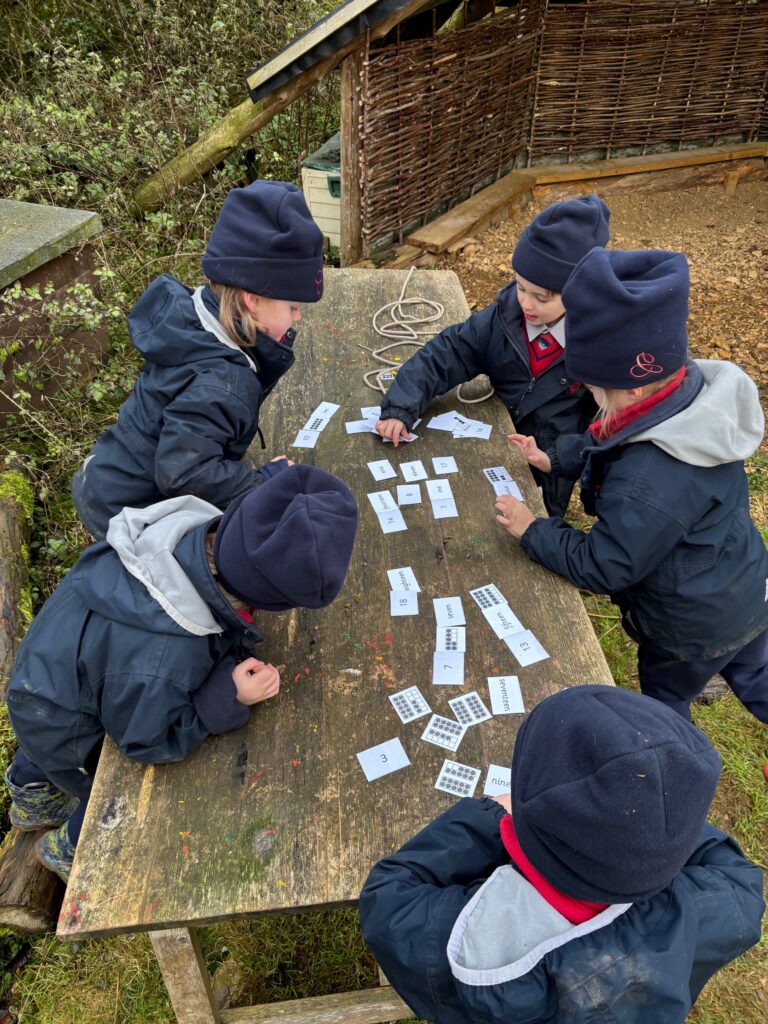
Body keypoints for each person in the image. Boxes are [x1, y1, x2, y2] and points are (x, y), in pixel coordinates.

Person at [4, 465, 357, 880]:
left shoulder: (185, 532)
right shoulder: (163, 658)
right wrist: (229, 698)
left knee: (56, 725)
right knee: (112, 779)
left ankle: (28, 791)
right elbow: (146, 741)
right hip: (64, 723)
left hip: (48, 673)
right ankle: (68, 849)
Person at [359, 685, 765, 1023]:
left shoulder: (458, 937)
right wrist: (655, 822)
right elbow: (731, 866)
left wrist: (490, 813)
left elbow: (389, 892)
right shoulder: (726, 903)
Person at [496, 247, 768, 737]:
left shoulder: (648, 480)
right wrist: (552, 456)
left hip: (685, 626)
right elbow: (610, 435)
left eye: (595, 389)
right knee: (757, 673)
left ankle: (672, 763)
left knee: (664, 702)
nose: (592, 399)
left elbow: (604, 563)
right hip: (741, 587)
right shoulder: (686, 398)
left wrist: (531, 529)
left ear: (632, 388)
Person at [71, 180, 325, 540]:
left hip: (108, 474)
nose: (297, 318)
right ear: (252, 299)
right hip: (127, 509)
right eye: (293, 306)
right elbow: (184, 474)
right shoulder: (222, 382)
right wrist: (260, 481)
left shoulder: (194, 315)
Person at [375, 194, 610, 516]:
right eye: (520, 287)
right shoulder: (503, 318)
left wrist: (560, 458)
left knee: (537, 516)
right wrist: (401, 406)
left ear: (581, 292)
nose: (526, 304)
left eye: (542, 298)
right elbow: (449, 352)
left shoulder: (599, 344)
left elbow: (610, 423)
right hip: (491, 440)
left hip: (548, 458)